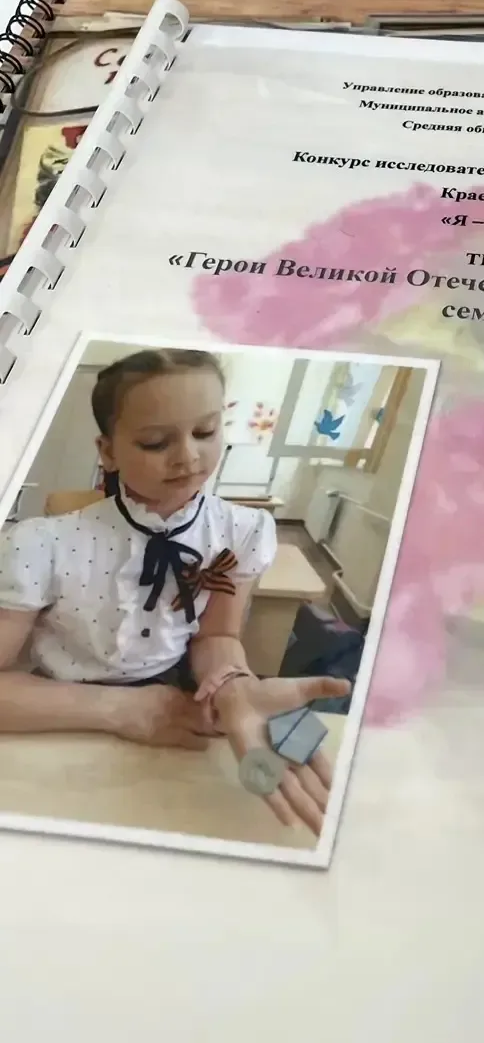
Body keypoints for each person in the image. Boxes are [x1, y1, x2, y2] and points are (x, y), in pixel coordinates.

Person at [0, 349, 349, 837]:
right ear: (107, 451)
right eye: (155, 441)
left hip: (178, 699)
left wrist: (234, 684)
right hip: (57, 703)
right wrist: (119, 710)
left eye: (205, 432)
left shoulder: (241, 530)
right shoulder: (43, 542)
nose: (188, 456)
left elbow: (217, 637)